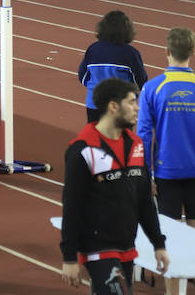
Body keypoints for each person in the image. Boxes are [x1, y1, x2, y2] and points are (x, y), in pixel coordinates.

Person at [137, 27, 195, 295]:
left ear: (166, 52)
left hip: (166, 174)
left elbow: (143, 135)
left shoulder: (152, 88)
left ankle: (173, 292)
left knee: (170, 238)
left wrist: (145, 174)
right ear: (193, 53)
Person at [61, 78, 169, 295]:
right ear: (113, 107)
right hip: (97, 248)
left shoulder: (136, 146)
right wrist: (69, 257)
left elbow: (144, 201)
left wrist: (159, 244)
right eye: (131, 102)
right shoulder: (83, 151)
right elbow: (72, 206)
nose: (137, 107)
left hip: (127, 247)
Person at [77, 10, 147, 124]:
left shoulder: (93, 49)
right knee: (122, 139)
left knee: (95, 137)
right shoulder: (131, 53)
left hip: (95, 103)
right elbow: (140, 81)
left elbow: (83, 77)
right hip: (122, 105)